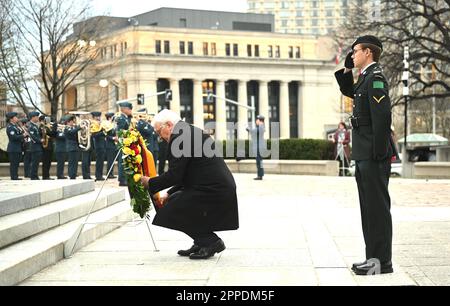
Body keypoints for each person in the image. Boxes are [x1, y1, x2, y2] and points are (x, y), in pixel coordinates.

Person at [141, 109, 239, 260]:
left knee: (171, 210)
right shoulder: (188, 131)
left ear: (168, 124)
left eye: (159, 131)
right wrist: (170, 192)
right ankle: (200, 241)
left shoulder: (180, 137)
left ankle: (210, 242)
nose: (159, 136)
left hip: (212, 190)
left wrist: (150, 182)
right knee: (175, 201)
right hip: (214, 187)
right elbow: (187, 172)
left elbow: (175, 175)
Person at [335, 35, 394, 275]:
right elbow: (350, 90)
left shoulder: (376, 78)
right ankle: (374, 258)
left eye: (355, 51)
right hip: (365, 153)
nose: (353, 55)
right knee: (369, 209)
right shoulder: (365, 78)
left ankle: (382, 262)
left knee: (377, 209)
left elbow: (382, 118)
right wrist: (347, 69)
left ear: (368, 52)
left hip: (372, 154)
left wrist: (379, 153)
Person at [116, 101, 133, 186]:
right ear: (124, 109)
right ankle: (122, 179)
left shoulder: (126, 118)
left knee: (125, 161)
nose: (131, 110)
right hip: (123, 142)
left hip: (126, 142)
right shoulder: (121, 119)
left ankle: (124, 178)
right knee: (122, 161)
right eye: (129, 109)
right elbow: (120, 132)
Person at [6, 112, 25, 180]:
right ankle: (13, 176)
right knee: (13, 163)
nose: (17, 118)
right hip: (13, 148)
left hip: (17, 148)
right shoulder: (10, 127)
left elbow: (19, 135)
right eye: (15, 117)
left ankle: (15, 175)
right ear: (11, 119)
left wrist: (23, 132)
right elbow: (13, 137)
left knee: (16, 163)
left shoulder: (15, 126)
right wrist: (23, 135)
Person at [247, 115, 265, 180]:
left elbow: (254, 131)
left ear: (260, 121)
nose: (256, 121)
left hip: (259, 148)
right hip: (259, 147)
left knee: (259, 161)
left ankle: (260, 175)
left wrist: (249, 129)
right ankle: (260, 175)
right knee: (259, 161)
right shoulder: (260, 127)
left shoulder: (261, 127)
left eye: (257, 120)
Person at [39, 115, 56, 180]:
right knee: (46, 162)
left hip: (49, 146)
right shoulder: (42, 127)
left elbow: (53, 134)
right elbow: (50, 133)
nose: (47, 121)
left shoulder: (46, 127)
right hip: (45, 147)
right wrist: (54, 127)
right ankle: (45, 176)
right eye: (46, 120)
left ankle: (47, 175)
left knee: (48, 162)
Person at [28, 112, 44, 180]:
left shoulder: (35, 125)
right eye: (36, 117)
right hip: (35, 147)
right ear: (33, 117)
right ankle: (33, 176)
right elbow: (33, 136)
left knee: (36, 162)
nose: (38, 118)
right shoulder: (31, 126)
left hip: (38, 147)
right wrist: (40, 140)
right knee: (34, 162)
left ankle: (35, 175)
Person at [64, 115, 81, 180]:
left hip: (75, 147)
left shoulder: (73, 128)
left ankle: (74, 173)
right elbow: (71, 132)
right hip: (70, 147)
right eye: (71, 121)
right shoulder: (66, 129)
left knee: (75, 162)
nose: (72, 123)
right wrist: (79, 127)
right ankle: (71, 174)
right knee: (71, 162)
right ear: (68, 122)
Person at [91, 112, 106, 181]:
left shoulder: (99, 124)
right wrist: (102, 132)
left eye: (99, 116)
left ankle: (100, 175)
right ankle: (98, 175)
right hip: (98, 145)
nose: (98, 118)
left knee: (101, 161)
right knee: (99, 161)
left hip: (102, 144)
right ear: (94, 117)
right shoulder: (93, 124)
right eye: (97, 117)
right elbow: (94, 135)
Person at [104, 112, 117, 179]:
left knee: (112, 160)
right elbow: (106, 135)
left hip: (113, 144)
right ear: (109, 117)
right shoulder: (106, 124)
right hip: (109, 144)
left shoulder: (112, 124)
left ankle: (111, 173)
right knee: (110, 160)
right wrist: (113, 138)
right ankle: (109, 173)